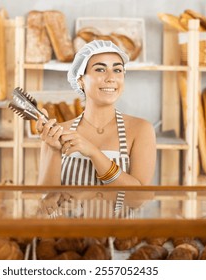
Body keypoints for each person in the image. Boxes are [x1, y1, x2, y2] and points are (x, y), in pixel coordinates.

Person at [36, 40, 156, 216]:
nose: (111, 77)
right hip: (67, 240)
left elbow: (137, 199)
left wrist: (93, 153)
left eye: (117, 70)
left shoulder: (141, 130)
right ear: (81, 80)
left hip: (120, 240)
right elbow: (46, 208)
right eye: (100, 69)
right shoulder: (58, 133)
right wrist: (54, 150)